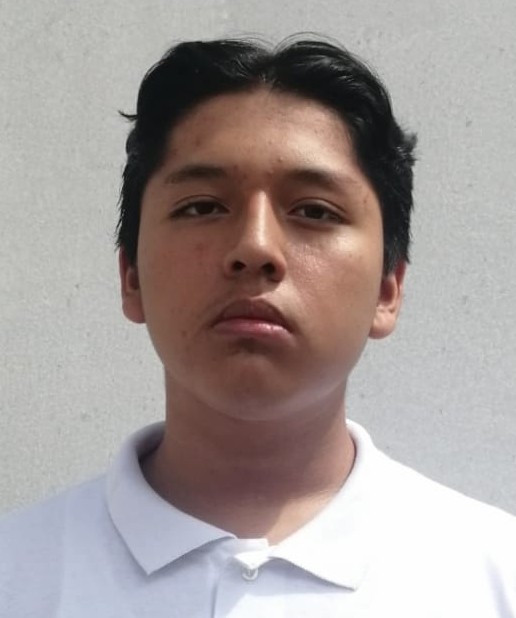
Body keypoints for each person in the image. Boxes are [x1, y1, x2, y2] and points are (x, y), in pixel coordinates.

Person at [1, 36, 515, 617]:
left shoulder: (494, 578)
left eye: (314, 211)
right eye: (202, 206)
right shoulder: (15, 575)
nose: (255, 247)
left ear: (387, 288)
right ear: (131, 276)